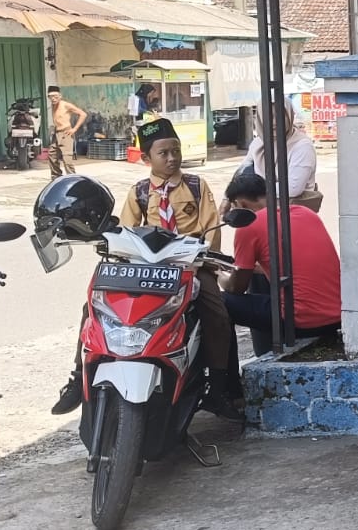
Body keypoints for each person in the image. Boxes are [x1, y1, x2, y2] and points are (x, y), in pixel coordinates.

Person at [50, 117, 240, 417]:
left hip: (190, 266)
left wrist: (202, 261)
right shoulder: (139, 191)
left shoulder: (195, 186)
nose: (172, 158)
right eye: (163, 153)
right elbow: (126, 231)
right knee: (94, 308)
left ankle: (218, 388)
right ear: (146, 158)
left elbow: (210, 229)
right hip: (149, 270)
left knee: (216, 313)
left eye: (176, 150)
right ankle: (77, 378)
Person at [221, 170, 342, 357]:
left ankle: (226, 373)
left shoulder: (248, 226)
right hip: (336, 316)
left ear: (240, 204)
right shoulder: (306, 213)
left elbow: (236, 287)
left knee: (218, 301)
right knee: (257, 277)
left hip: (301, 321)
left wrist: (218, 275)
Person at [241, 101, 322, 212]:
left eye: (280, 116)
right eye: (269, 116)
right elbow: (242, 171)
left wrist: (253, 190)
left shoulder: (302, 145)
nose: (274, 122)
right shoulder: (258, 143)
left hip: (294, 214)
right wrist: (228, 197)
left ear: (289, 116)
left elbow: (293, 188)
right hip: (263, 211)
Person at [46, 86, 87, 178]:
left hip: (66, 133)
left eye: (55, 96)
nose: (53, 99)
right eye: (51, 96)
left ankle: (72, 178)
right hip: (56, 134)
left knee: (67, 159)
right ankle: (56, 177)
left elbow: (83, 114)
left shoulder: (65, 105)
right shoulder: (53, 105)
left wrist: (74, 129)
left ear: (60, 96)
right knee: (52, 155)